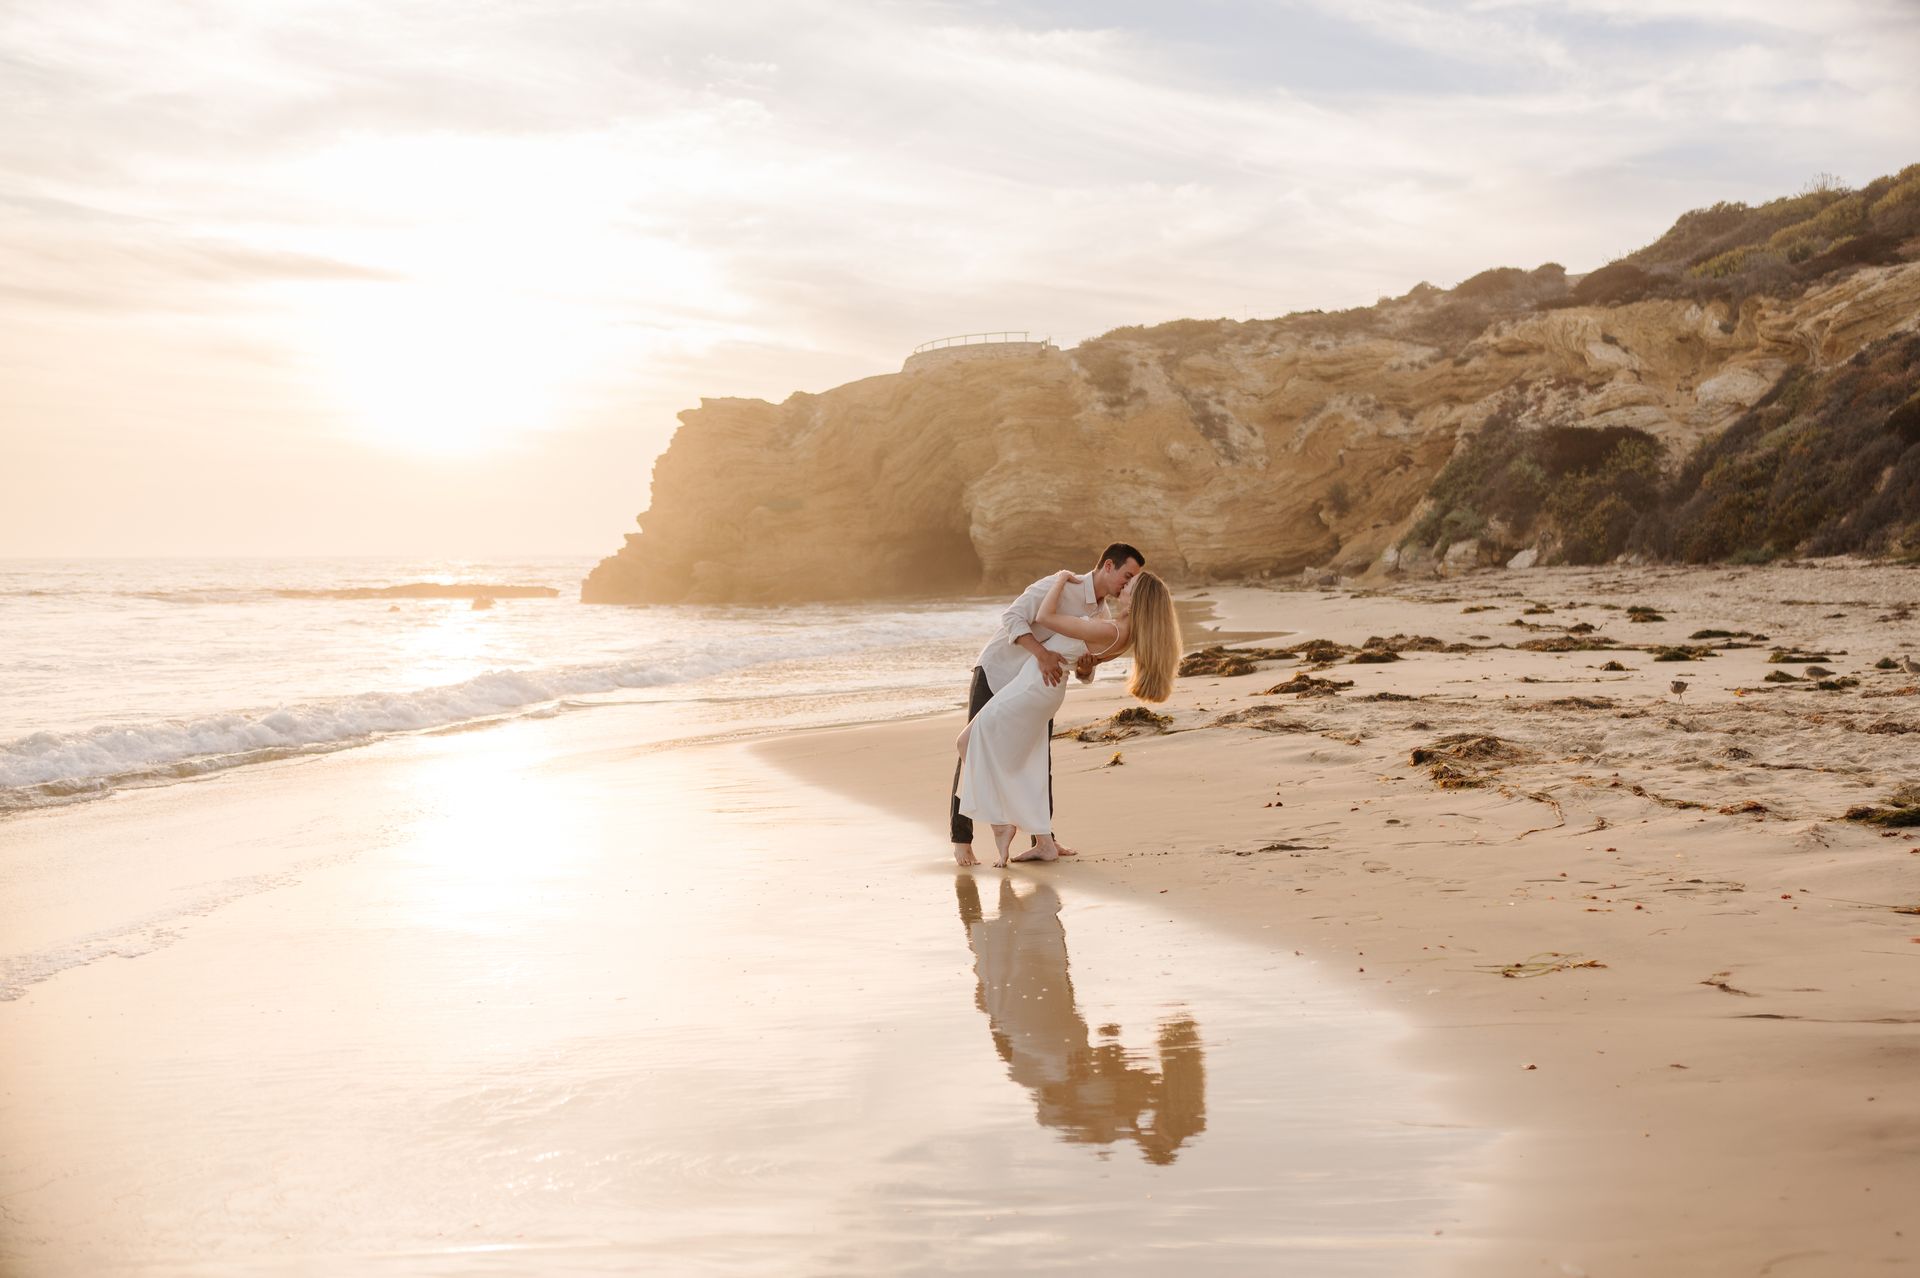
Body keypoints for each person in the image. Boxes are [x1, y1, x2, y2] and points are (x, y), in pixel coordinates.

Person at [954, 566, 1182, 867]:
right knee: (1026, 758)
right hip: (1039, 687)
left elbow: (1047, 618)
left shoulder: (1111, 629)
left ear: (1138, 597)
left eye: (1131, 583)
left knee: (967, 743)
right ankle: (1041, 840)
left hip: (1034, 688)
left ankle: (1003, 820)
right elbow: (1080, 662)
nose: (1125, 586)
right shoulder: (1117, 630)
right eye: (1127, 578)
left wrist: (1060, 578)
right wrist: (1086, 667)